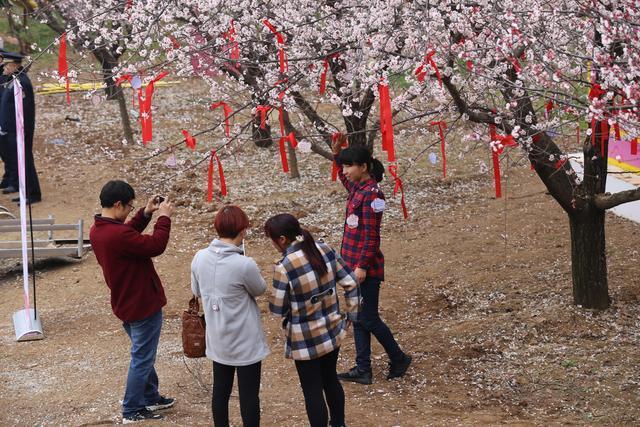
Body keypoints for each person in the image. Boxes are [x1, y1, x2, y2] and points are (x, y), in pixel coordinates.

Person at [89, 180, 176, 424]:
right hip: (142, 304)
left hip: (125, 302)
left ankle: (150, 395)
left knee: (142, 353)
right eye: (129, 206)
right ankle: (132, 408)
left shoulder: (99, 230)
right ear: (117, 204)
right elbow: (155, 245)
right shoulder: (117, 234)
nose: (130, 210)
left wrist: (146, 213)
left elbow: (128, 234)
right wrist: (164, 218)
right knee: (142, 358)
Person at [265, 213, 360, 427]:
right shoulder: (324, 249)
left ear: (281, 239)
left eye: (271, 239)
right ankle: (339, 424)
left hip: (304, 339)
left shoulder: (284, 267)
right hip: (332, 330)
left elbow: (278, 309)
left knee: (312, 391)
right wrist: (352, 314)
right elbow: (351, 283)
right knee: (330, 379)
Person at [332, 141, 412, 385]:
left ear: (363, 167)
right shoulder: (358, 188)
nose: (344, 171)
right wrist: (337, 155)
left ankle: (398, 357)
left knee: (368, 318)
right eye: (343, 166)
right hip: (352, 264)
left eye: (348, 166)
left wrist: (363, 266)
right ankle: (363, 368)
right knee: (358, 317)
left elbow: (372, 236)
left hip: (364, 268)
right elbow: (344, 180)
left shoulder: (373, 194)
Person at [190, 205, 270, 427]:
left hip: (217, 337)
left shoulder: (199, 257)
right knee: (249, 396)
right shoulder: (244, 264)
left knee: (220, 392)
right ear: (242, 230)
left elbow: (196, 291)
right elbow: (260, 289)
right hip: (245, 340)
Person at [0, 51, 41, 204]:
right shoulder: (14, 80)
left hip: (20, 130)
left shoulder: (22, 82)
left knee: (25, 161)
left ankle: (33, 193)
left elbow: (26, 108)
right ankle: (25, 190)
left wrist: (21, 129)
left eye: (7, 66)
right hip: (11, 129)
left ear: (14, 66)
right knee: (19, 161)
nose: (4, 69)